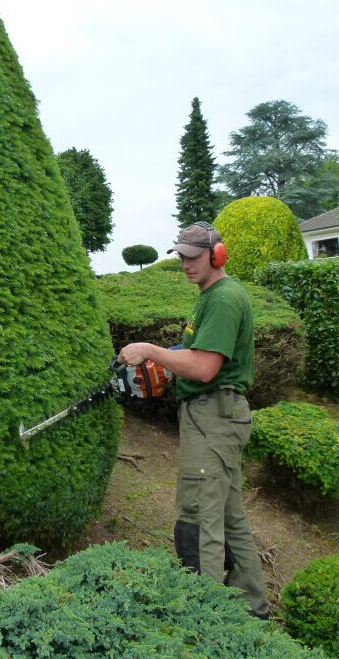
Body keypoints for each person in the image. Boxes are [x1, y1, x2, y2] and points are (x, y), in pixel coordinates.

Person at [117, 222, 270, 619]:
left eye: (194, 256)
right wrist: (167, 362)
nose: (186, 264)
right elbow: (195, 352)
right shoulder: (212, 296)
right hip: (217, 416)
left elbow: (203, 368)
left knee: (199, 518)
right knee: (228, 516)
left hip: (212, 418)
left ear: (217, 254)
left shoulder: (222, 299)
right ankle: (250, 608)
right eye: (181, 256)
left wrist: (149, 349)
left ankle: (205, 621)